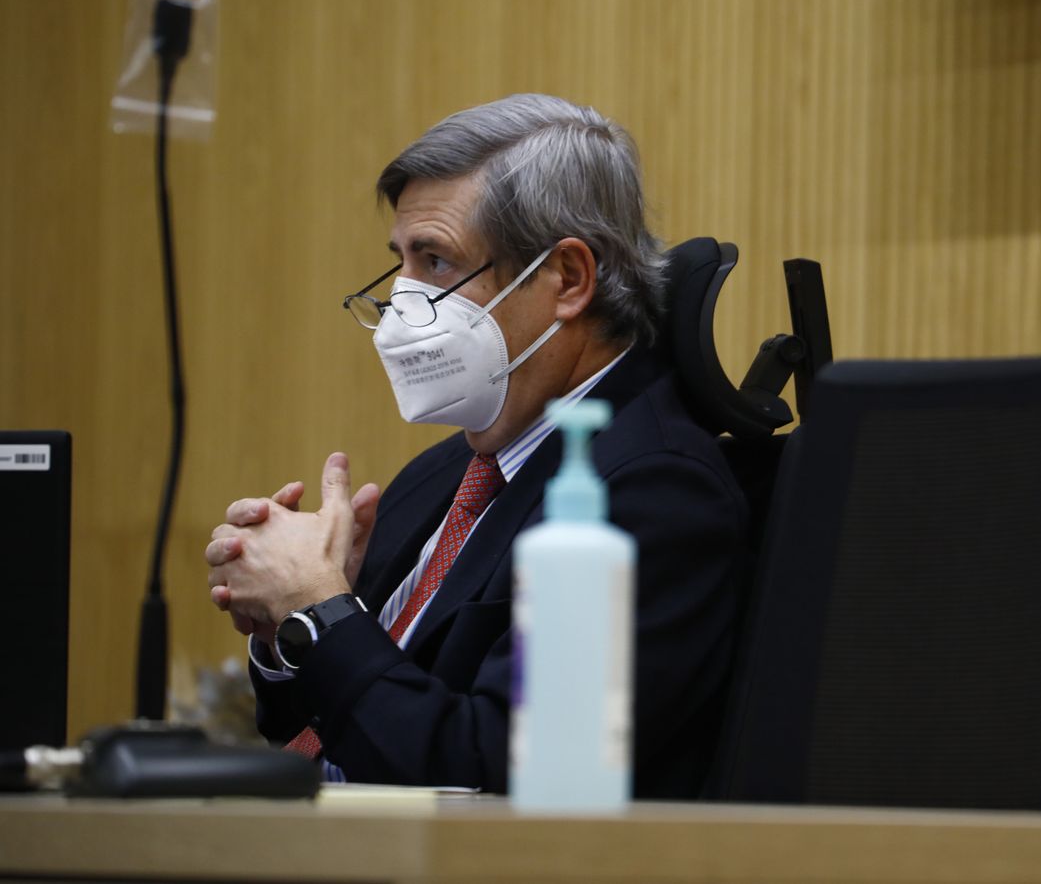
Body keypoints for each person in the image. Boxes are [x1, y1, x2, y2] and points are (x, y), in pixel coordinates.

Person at [204, 94, 748, 796]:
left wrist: (321, 609)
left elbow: (491, 771)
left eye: (435, 261)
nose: (400, 305)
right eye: (400, 262)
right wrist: (285, 628)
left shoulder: (654, 494)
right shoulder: (447, 473)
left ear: (568, 279)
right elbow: (320, 725)